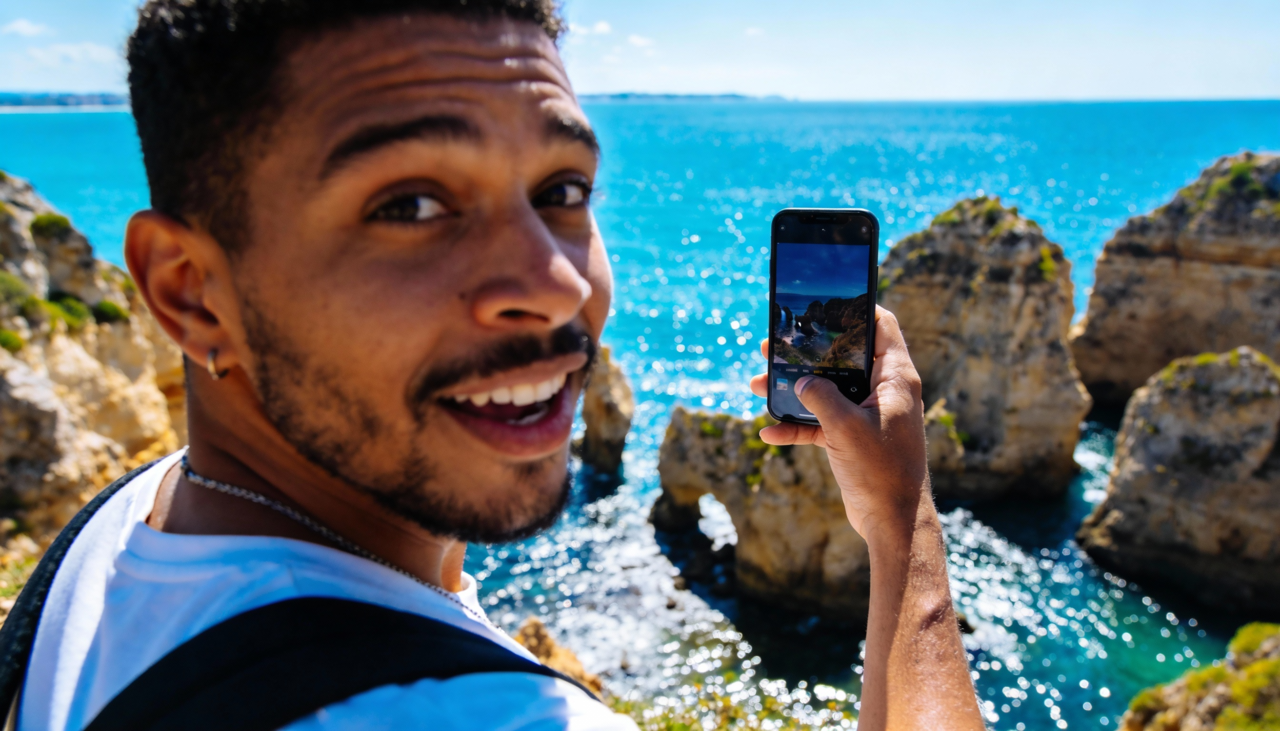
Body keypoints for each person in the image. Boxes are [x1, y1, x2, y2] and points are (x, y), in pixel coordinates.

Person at [10, 1, 985, 729]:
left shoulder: (115, 534)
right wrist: (905, 525)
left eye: (562, 189)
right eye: (410, 206)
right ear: (190, 293)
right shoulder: (485, 714)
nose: (556, 285)